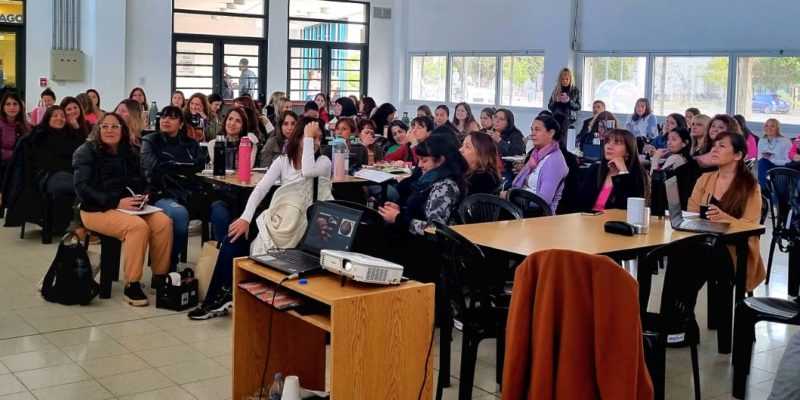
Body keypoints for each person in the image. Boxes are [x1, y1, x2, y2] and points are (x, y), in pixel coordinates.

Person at [188, 118, 331, 319]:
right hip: (278, 219)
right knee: (233, 237)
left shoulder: (323, 162)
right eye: (311, 137)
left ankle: (224, 295)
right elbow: (260, 189)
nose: (315, 142)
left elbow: (308, 172)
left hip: (302, 226)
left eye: (319, 138)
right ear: (298, 137)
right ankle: (219, 296)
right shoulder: (282, 161)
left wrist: (308, 138)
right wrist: (245, 218)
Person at [72, 112, 172, 306]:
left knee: (163, 223)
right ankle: (132, 284)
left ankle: (159, 277)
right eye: (105, 126)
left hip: (129, 207)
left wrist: (145, 195)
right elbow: (82, 189)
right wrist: (115, 203)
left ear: (122, 130)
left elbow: (145, 180)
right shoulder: (85, 151)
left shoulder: (131, 152)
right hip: (95, 209)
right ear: (98, 129)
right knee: (137, 227)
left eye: (115, 126)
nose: (110, 130)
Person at [378, 133, 466, 282]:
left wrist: (398, 218)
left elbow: (434, 229)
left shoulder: (445, 186)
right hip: (419, 245)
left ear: (441, 161)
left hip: (428, 252)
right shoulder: (432, 180)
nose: (419, 165)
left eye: (424, 161)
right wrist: (402, 211)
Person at [688, 131, 765, 292]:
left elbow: (750, 227)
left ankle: (684, 313)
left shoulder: (750, 187)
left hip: (735, 250)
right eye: (714, 145)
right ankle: (680, 314)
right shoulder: (704, 179)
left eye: (721, 146)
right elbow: (692, 212)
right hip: (703, 244)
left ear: (738, 155)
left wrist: (725, 218)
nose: (714, 150)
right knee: (681, 256)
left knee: (695, 259)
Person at [140, 106, 210, 267]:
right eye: (163, 117)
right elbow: (155, 167)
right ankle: (169, 264)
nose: (166, 120)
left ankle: (212, 267)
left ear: (180, 124)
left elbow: (200, 164)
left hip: (189, 191)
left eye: (171, 117)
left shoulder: (190, 143)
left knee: (219, 208)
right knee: (179, 214)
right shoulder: (150, 141)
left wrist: (174, 166)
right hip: (160, 192)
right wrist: (185, 167)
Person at [507, 115, 569, 214]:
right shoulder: (536, 155)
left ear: (551, 133)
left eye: (537, 130)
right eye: (532, 129)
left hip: (538, 215)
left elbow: (543, 200)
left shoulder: (555, 160)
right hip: (523, 208)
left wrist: (510, 196)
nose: (532, 134)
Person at [576, 129, 649, 212]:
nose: (609, 146)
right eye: (607, 142)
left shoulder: (637, 175)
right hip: (588, 220)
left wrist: (623, 172)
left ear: (628, 151)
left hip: (614, 222)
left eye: (617, 142)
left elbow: (629, 209)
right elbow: (579, 202)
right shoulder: (595, 169)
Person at [28, 105, 86, 199]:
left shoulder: (68, 136)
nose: (59, 118)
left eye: (63, 116)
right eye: (55, 115)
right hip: (47, 176)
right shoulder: (39, 135)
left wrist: (76, 127)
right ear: (48, 118)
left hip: (69, 174)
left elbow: (82, 149)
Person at [650, 127, 700, 209]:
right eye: (668, 139)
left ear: (685, 143)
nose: (669, 143)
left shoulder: (676, 158)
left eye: (674, 139)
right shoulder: (685, 157)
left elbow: (655, 178)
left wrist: (656, 157)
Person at [0, 92, 31, 201]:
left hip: (20, 166)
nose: (12, 107)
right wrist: (14, 155)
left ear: (20, 106)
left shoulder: (25, 125)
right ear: (3, 107)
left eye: (15, 104)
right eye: (8, 104)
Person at [490, 108, 525, 185]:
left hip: (508, 172)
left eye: (501, 119)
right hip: (490, 172)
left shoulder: (516, 135)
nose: (497, 121)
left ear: (508, 123)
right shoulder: (489, 133)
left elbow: (516, 153)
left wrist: (499, 141)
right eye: (495, 117)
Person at [460, 131, 501, 195]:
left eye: (467, 146)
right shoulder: (470, 172)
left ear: (481, 153)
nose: (460, 149)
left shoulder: (482, 179)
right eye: (463, 145)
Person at [757, 118, 791, 193]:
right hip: (766, 166)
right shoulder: (762, 140)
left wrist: (772, 160)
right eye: (766, 126)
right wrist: (767, 159)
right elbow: (759, 158)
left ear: (777, 129)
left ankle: (764, 191)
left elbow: (789, 160)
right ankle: (764, 191)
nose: (768, 128)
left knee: (765, 164)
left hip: (782, 167)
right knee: (762, 162)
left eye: (772, 126)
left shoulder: (785, 141)